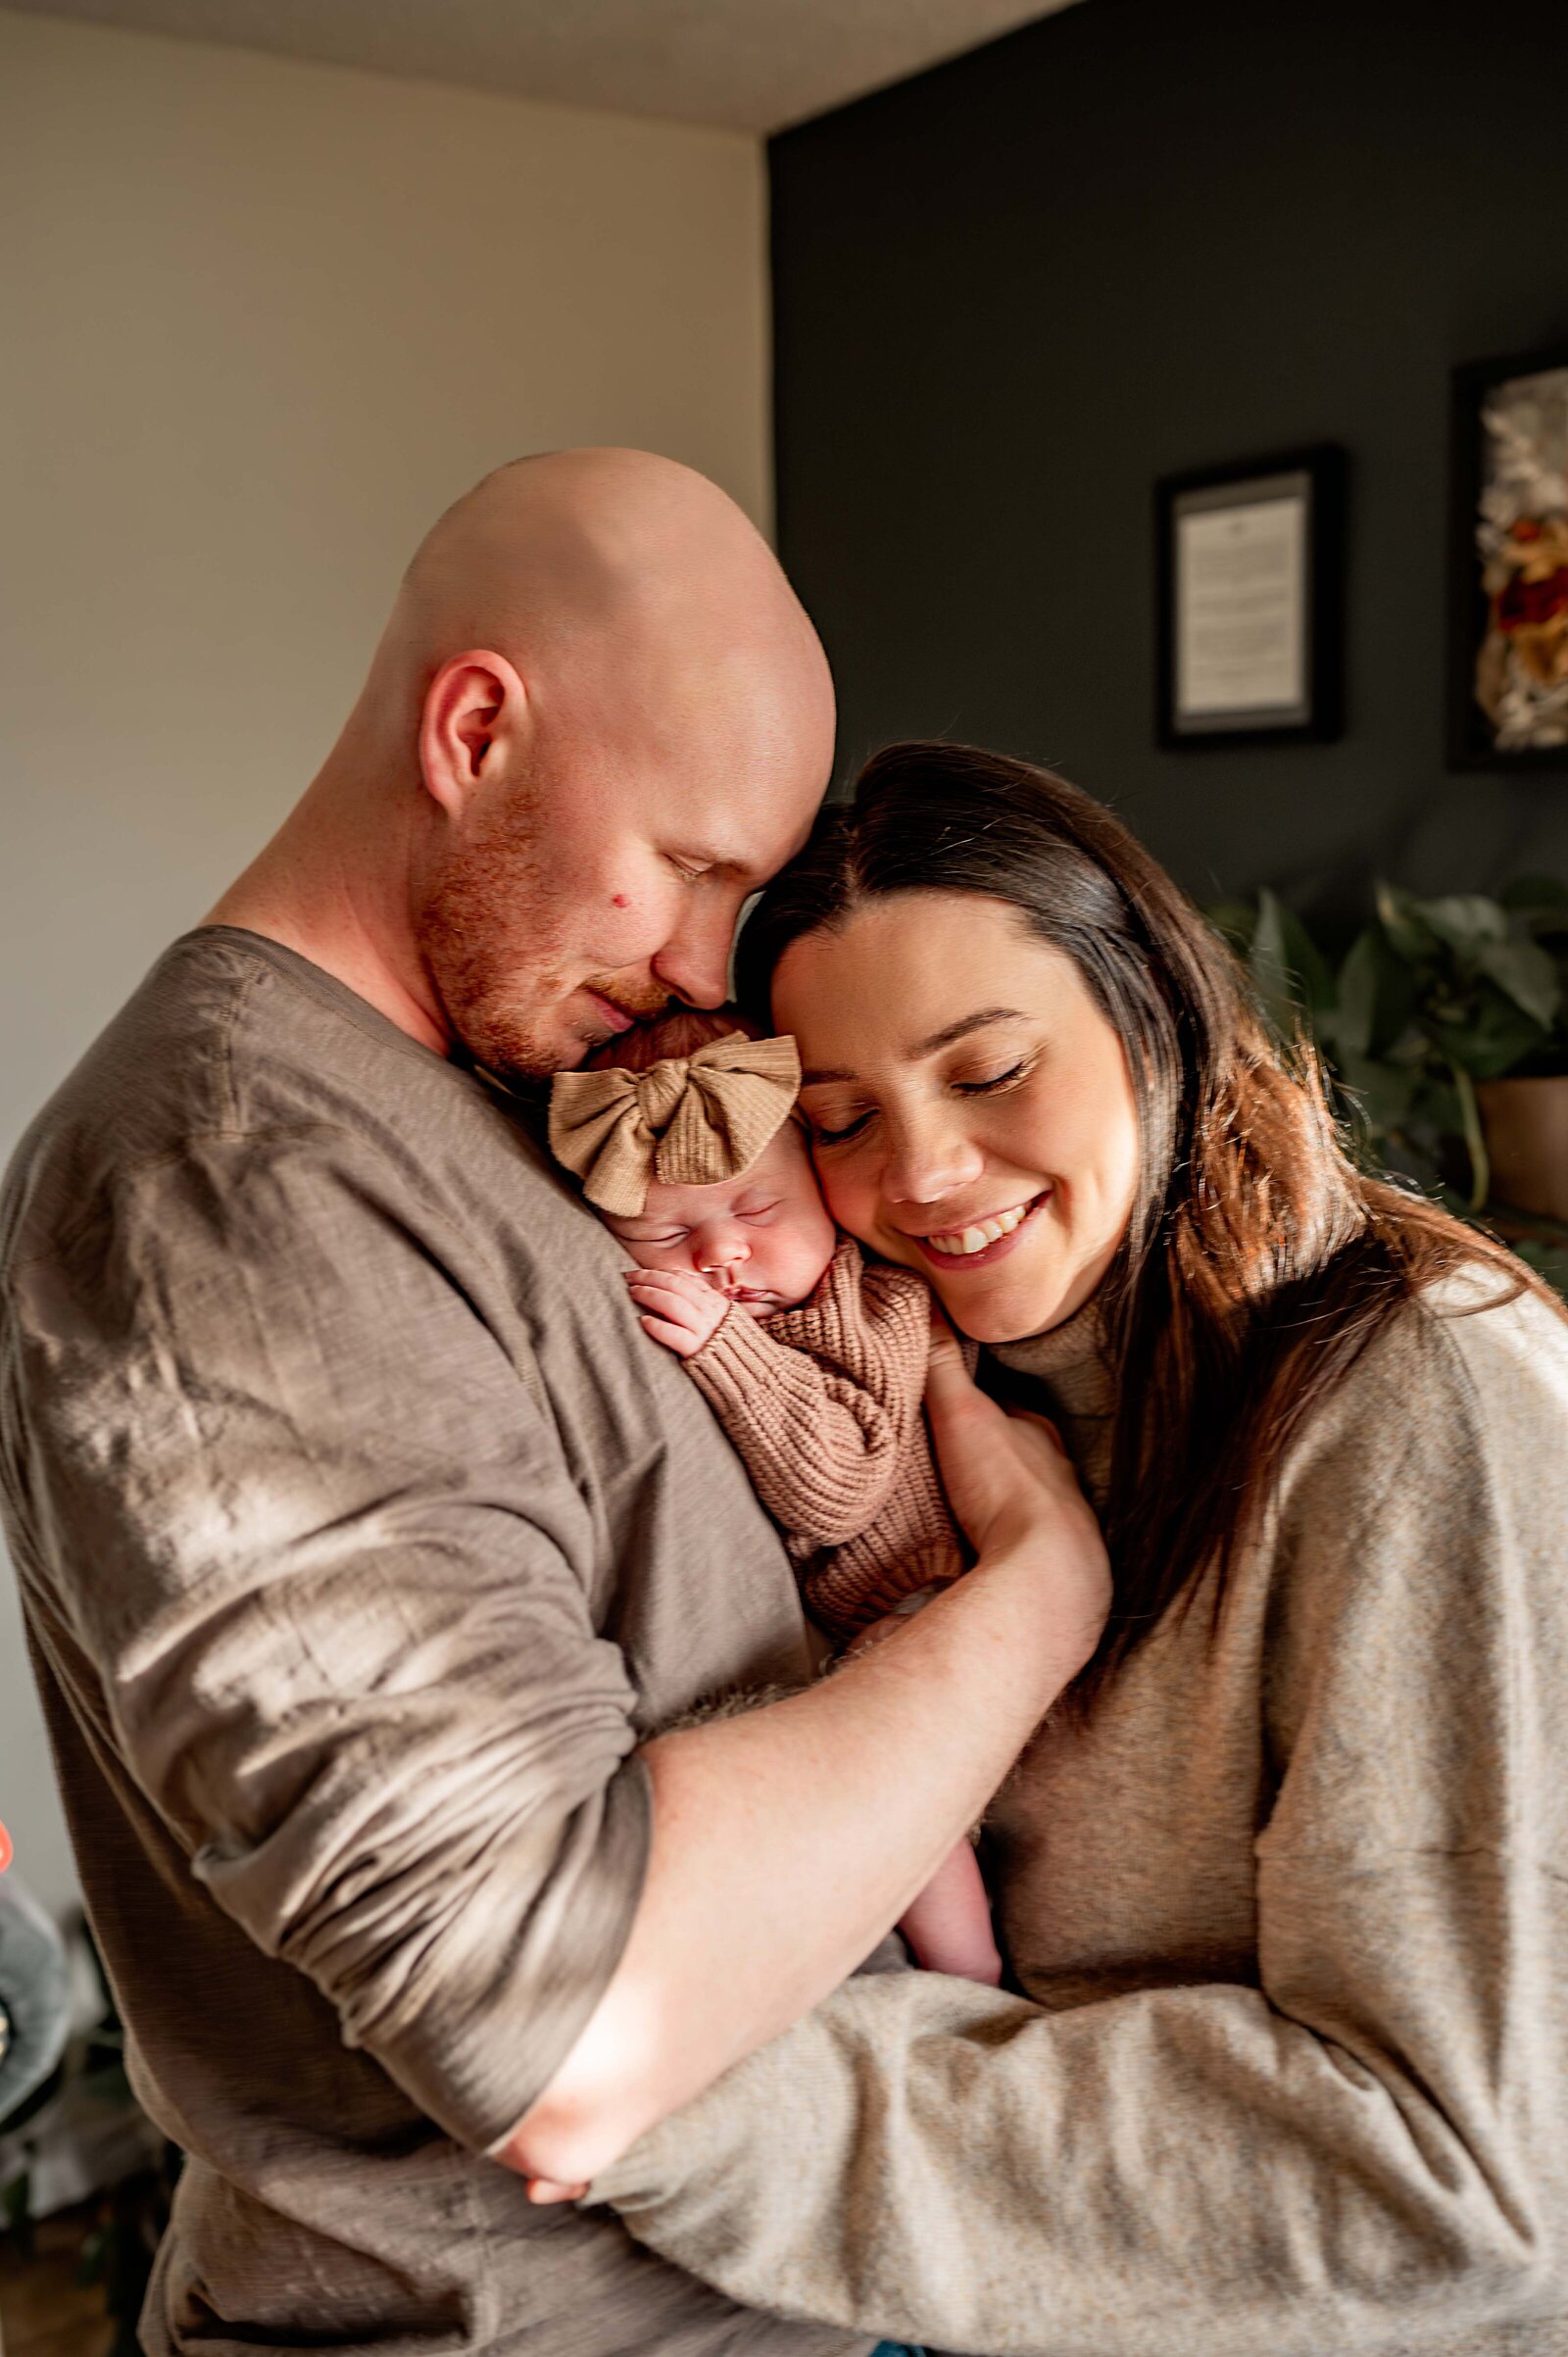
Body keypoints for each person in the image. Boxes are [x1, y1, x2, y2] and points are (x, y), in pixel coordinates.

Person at [0, 463, 1106, 2355]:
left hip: (807, 2278)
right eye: (690, 868)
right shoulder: (231, 1176)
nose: (704, 962)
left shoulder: (514, 1081)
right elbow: (563, 2024)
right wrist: (1038, 1593)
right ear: (477, 728)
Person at [583, 740, 1568, 2357]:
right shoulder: (948, 1395)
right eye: (838, 1119)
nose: (924, 1177)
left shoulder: (1426, 1405)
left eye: (986, 1073)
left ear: (1153, 1011)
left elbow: (1457, 2170)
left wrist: (681, 2092)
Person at [548, 1006, 1000, 1984]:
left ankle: (972, 1968)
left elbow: (836, 1488)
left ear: (823, 1186)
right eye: (661, 1233)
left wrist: (725, 1349)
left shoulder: (872, 1306)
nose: (719, 1256)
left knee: (880, 1747)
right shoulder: (749, 1311)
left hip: (926, 1607)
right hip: (851, 1630)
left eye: (756, 1209)